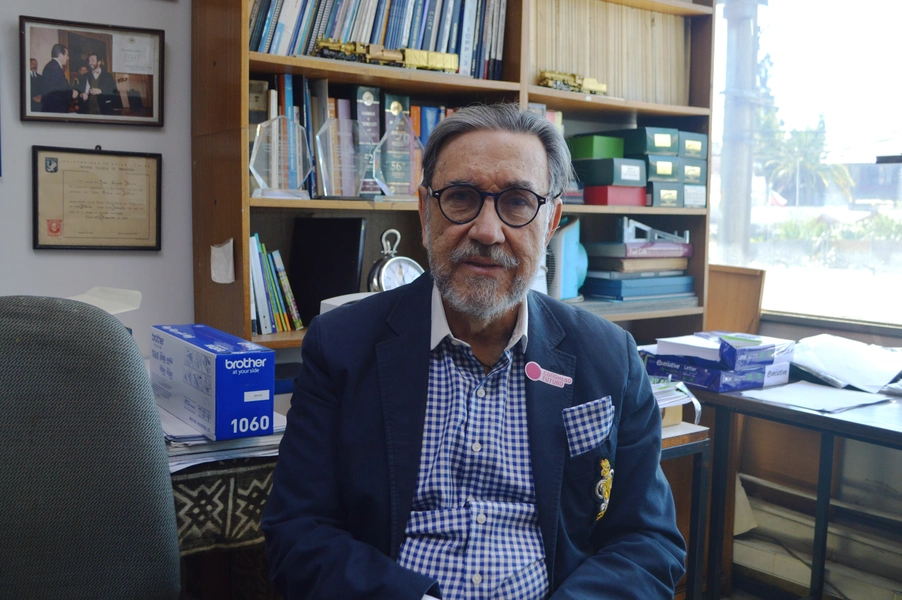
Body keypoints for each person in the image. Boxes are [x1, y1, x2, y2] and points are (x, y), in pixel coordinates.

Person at [262, 103, 686, 600]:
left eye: (517, 201)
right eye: (461, 198)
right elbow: (298, 531)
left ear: (550, 222)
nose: (487, 231)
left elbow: (649, 541)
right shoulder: (340, 347)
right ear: (424, 211)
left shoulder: (610, 358)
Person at [40, 44, 78, 113]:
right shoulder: (55, 68)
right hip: (55, 108)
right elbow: (55, 91)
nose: (68, 58)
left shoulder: (52, 66)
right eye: (67, 55)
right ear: (60, 55)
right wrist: (71, 93)